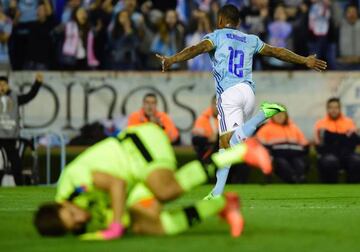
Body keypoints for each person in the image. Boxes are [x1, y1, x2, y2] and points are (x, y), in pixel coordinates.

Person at [156, 4, 327, 199]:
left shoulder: (216, 36)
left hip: (229, 94)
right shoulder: (250, 39)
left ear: (220, 20)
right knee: (226, 145)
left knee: (230, 143)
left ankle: (262, 115)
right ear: (238, 23)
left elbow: (196, 49)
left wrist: (172, 60)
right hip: (248, 92)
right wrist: (304, 60)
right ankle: (217, 192)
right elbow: (277, 51)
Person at [34, 123, 272, 239]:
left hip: (136, 146)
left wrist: (115, 225)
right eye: (75, 224)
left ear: (62, 204)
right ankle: (221, 205)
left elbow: (117, 185)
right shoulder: (81, 217)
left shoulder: (72, 182)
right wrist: (124, 223)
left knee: (165, 190)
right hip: (134, 176)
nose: (81, 219)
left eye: (73, 214)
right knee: (150, 227)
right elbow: (120, 211)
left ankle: (242, 152)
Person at [0, 73, 43, 185]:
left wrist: (37, 84)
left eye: (4, 84)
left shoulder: (14, 98)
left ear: (8, 85)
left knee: (16, 163)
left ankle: (20, 186)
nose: (2, 87)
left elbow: (29, 96)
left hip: (9, 136)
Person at [314, 97, 360, 183]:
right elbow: (319, 145)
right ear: (327, 109)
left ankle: (353, 190)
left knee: (357, 160)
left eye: (336, 107)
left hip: (347, 155)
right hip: (328, 154)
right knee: (330, 161)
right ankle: (329, 191)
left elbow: (356, 140)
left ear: (339, 108)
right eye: (331, 107)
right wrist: (343, 137)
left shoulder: (349, 122)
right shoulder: (320, 124)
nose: (333, 110)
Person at [257, 111, 309, 183]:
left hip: (295, 155)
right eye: (277, 114)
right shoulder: (265, 129)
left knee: (299, 162)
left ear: (286, 115)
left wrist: (301, 152)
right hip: (276, 156)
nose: (279, 116)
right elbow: (260, 144)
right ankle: (293, 178)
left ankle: (299, 178)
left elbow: (305, 144)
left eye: (282, 114)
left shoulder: (294, 128)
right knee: (281, 163)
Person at [192, 95, 218, 160]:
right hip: (207, 152)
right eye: (215, 103)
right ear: (211, 104)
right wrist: (210, 137)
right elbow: (196, 138)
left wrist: (217, 137)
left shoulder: (229, 119)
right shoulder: (202, 119)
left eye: (220, 104)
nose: (217, 107)